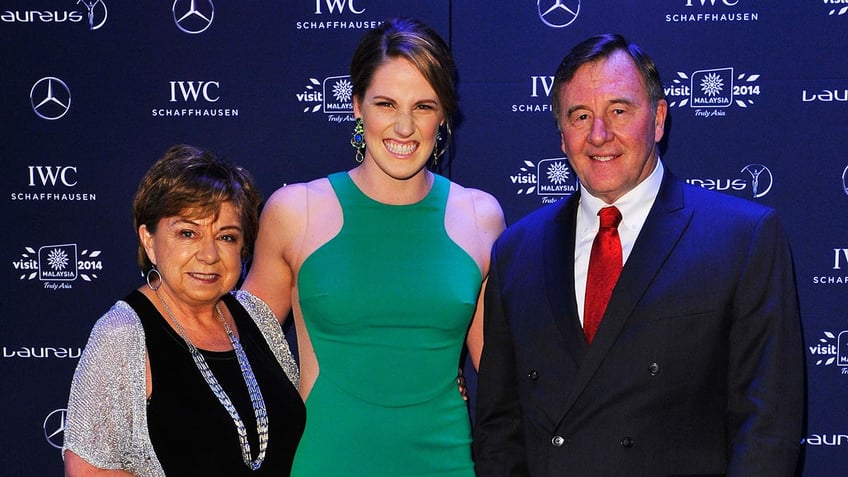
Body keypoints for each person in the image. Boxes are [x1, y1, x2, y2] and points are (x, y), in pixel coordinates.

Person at [473, 33, 804, 476]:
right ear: (561, 136)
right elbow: (499, 430)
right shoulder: (517, 251)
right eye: (580, 116)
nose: (599, 134)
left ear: (659, 118)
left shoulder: (742, 238)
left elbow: (768, 429)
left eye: (619, 110)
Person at [242, 17, 505, 476]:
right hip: (326, 460)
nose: (404, 127)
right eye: (386, 103)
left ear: (444, 114)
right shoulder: (295, 211)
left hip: (444, 462)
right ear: (357, 105)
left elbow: (505, 375)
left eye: (423, 106)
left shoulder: (480, 218)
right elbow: (237, 353)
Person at [63, 145, 305, 476]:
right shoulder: (122, 335)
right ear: (149, 240)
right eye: (188, 233)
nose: (209, 254)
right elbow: (88, 472)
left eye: (227, 237)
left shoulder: (256, 317)